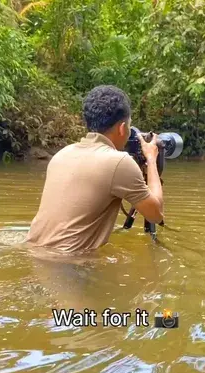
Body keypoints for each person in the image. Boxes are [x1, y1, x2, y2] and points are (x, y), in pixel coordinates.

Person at [26, 85, 164, 254]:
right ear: (122, 128)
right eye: (129, 126)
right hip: (69, 265)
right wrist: (151, 159)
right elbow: (156, 215)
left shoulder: (62, 154)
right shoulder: (119, 162)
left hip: (32, 252)